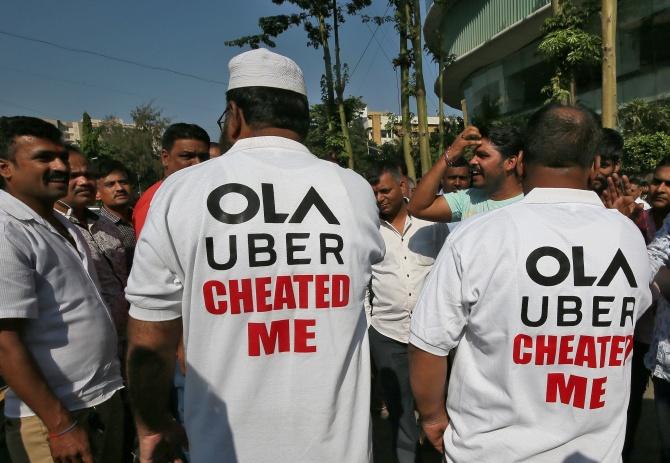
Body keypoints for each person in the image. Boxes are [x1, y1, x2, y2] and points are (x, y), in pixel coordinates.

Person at [125, 48, 385, 463]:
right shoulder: (352, 189)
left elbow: (151, 337)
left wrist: (152, 424)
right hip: (337, 448)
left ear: (235, 114)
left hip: (223, 447)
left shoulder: (182, 191)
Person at [408, 104, 652, 462]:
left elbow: (428, 342)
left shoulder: (480, 234)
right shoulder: (627, 237)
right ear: (592, 162)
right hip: (593, 452)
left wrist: (431, 416)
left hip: (489, 451)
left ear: (521, 161)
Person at [0, 116, 124, 463]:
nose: (60, 167)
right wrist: (60, 426)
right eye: (43, 158)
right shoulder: (7, 230)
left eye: (61, 157)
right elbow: (5, 342)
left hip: (100, 397)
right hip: (55, 417)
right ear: (5, 168)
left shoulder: (64, 224)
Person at [365, 164, 447, 463]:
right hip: (387, 335)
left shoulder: (432, 223)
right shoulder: (368, 229)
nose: (379, 198)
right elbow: (364, 281)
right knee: (400, 413)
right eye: (374, 193)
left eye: (385, 190)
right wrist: (369, 325)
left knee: (443, 409)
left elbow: (446, 273)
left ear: (403, 187)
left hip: (433, 339)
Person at [54, 146, 129, 335]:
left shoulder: (107, 225)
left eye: (89, 175)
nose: (84, 182)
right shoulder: (51, 228)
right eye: (73, 175)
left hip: (129, 333)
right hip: (89, 338)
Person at [408, 124, 523, 223]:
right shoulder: (468, 198)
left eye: (483, 156)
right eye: (474, 155)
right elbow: (417, 208)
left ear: (510, 162)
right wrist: (449, 155)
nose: (472, 161)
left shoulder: (531, 203)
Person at [132, 123, 210, 236]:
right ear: (165, 158)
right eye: (187, 156)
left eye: (203, 157)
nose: (198, 163)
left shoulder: (207, 192)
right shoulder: (152, 202)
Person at [96, 158, 137, 265]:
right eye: (110, 184)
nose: (119, 188)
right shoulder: (97, 230)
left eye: (123, 182)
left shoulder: (146, 216)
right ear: (97, 193)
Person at [590, 128, 623, 196]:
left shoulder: (625, 204)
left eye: (603, 165)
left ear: (616, 165)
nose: (595, 171)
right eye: (589, 163)